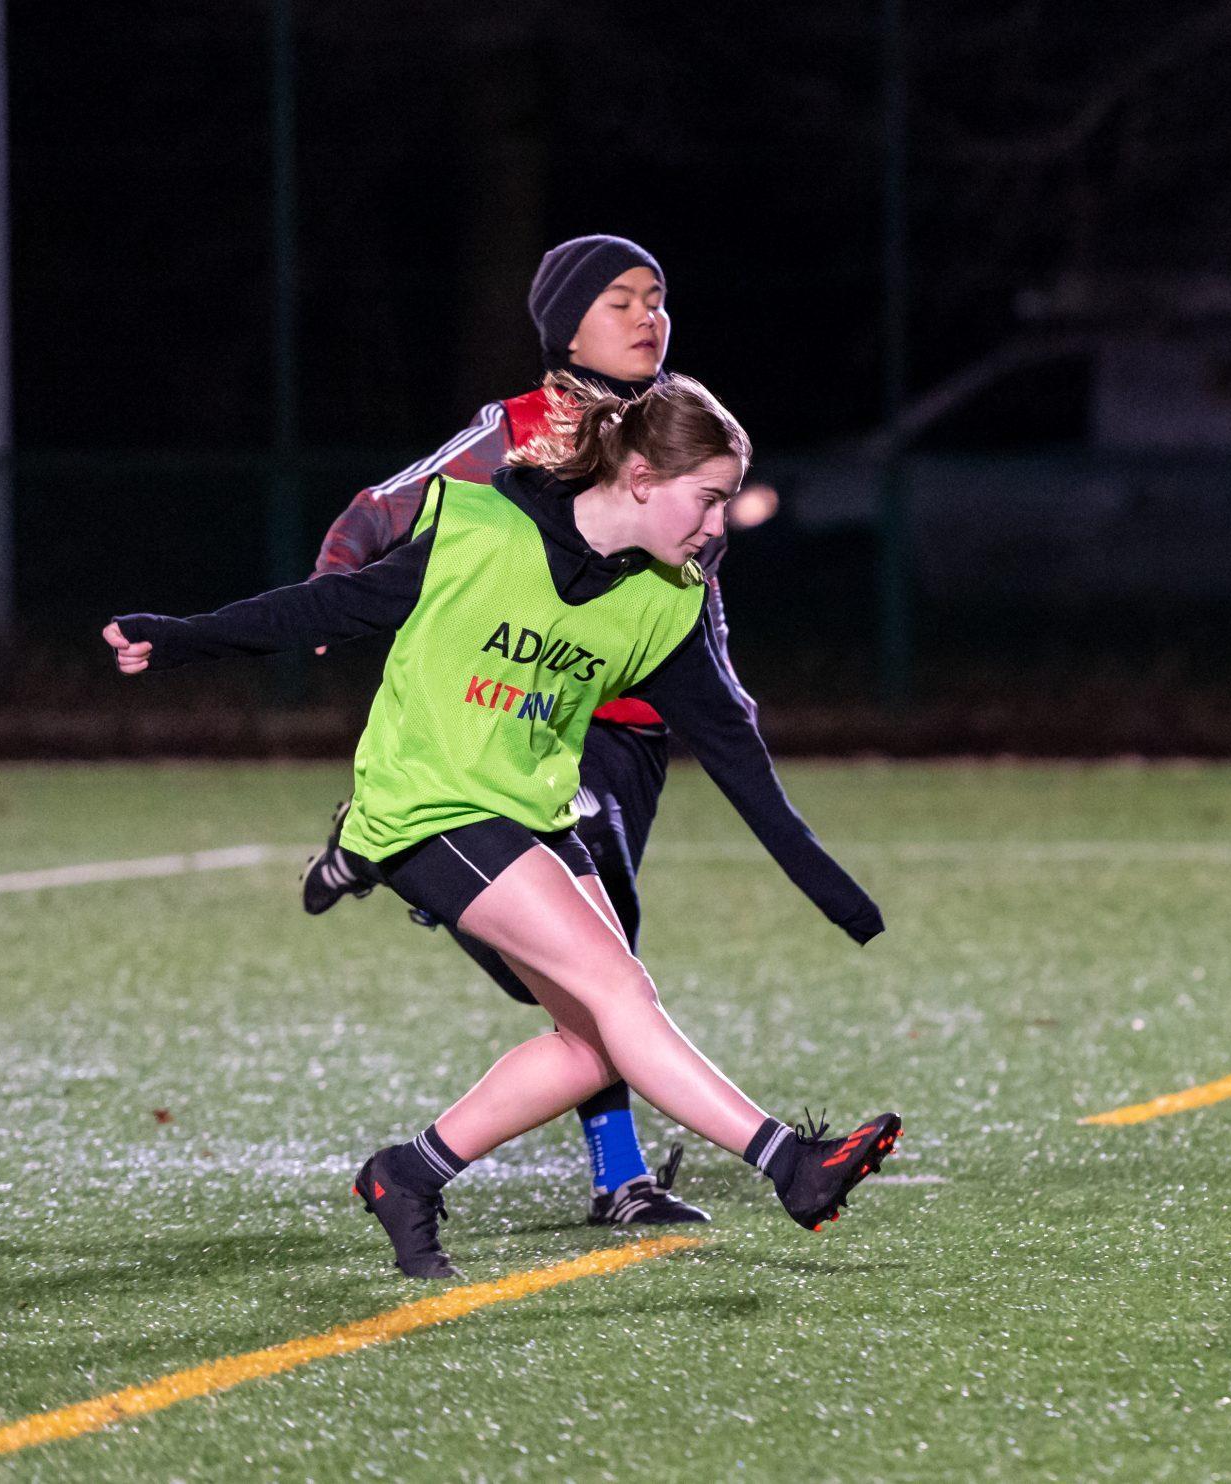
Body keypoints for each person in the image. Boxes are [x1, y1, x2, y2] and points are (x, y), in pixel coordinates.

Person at [105, 373, 904, 1278]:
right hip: (425, 805)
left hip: (533, 810)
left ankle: (407, 1175)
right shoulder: (481, 531)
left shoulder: (663, 601)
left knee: (590, 1043)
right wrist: (177, 637)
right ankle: (786, 1163)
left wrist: (830, 889)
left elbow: (734, 750)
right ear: (641, 477)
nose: (717, 524)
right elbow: (327, 608)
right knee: (622, 993)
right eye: (708, 498)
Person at [299, 235, 859, 1230]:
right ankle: (621, 1173)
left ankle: (404, 871)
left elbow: (696, 589)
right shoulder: (513, 429)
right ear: (565, 324)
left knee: (589, 980)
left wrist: (723, 704)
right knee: (604, 965)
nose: (650, 317)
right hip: (535, 720)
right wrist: (329, 591)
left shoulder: (683, 430)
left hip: (637, 733)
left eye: (659, 298)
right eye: (621, 300)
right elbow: (382, 509)